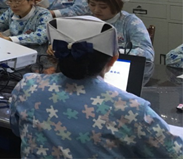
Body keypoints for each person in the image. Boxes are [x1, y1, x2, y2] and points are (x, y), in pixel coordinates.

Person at [10, 17, 183, 158]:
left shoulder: (28, 86)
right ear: (113, 59)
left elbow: (17, 129)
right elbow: (174, 154)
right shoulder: (131, 108)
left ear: (56, 55)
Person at [87, 0, 155, 83]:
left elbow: (147, 54)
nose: (96, 10)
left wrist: (116, 53)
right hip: (91, 72)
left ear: (116, 5)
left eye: (103, 7)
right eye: (92, 4)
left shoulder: (130, 22)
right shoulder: (87, 20)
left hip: (120, 73)